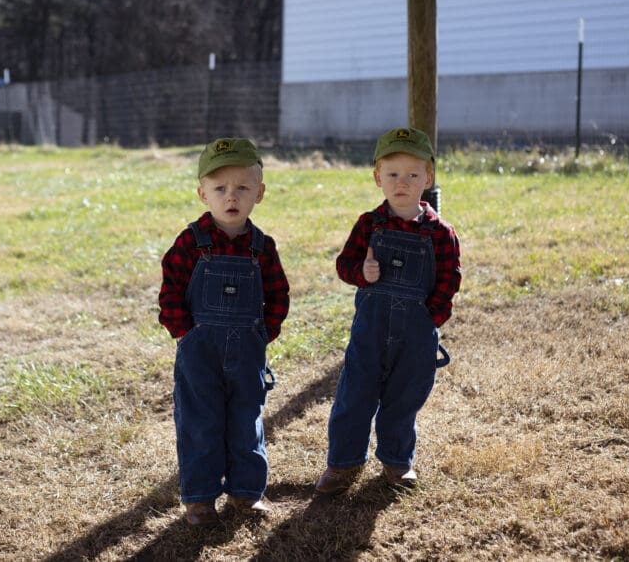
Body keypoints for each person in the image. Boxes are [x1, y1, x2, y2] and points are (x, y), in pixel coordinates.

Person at [315, 127, 461, 495]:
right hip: (371, 330)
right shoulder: (369, 224)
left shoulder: (440, 233)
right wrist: (361, 273)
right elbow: (344, 265)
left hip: (416, 332)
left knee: (404, 397)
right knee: (355, 395)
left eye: (413, 175)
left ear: (427, 178)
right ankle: (342, 463)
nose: (402, 183)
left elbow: (449, 278)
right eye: (393, 174)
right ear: (378, 177)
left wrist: (433, 317)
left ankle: (397, 462)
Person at [158, 137, 290, 526]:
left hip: (247, 349)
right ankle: (199, 498)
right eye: (220, 189)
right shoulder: (190, 243)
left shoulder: (261, 248)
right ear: (203, 193)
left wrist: (263, 333)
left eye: (242, 188)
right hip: (200, 349)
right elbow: (171, 291)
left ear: (259, 193)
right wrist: (185, 332)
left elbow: (278, 293)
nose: (231, 197)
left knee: (246, 420)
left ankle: (247, 494)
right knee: (200, 421)